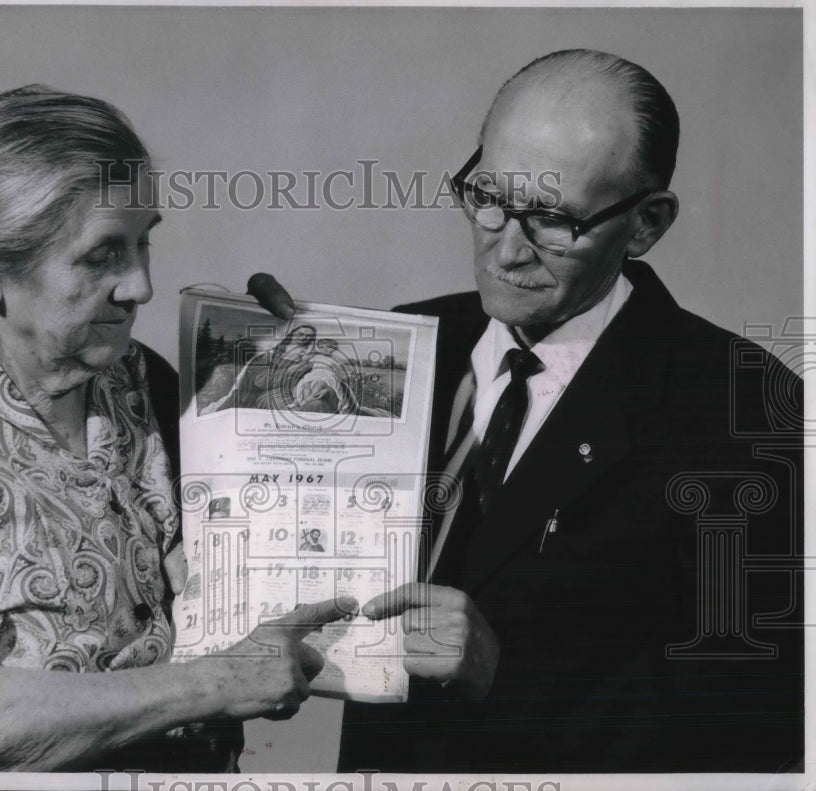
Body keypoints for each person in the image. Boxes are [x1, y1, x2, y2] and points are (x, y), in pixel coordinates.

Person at [258, 49, 803, 772]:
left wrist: (508, 677)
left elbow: (762, 725)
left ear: (645, 224)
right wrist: (246, 380)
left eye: (550, 219)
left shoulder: (741, 405)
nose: (505, 249)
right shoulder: (399, 344)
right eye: (487, 194)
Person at [0, 85, 356, 773]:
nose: (141, 286)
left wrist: (269, 371)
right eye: (102, 254)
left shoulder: (139, 381)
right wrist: (214, 685)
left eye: (143, 243)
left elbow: (265, 570)